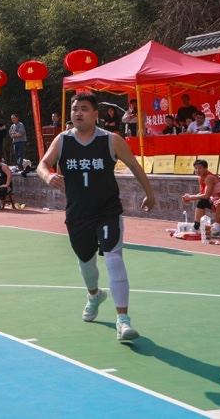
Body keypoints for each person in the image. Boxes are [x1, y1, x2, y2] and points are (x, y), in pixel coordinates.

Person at [37, 92, 156, 343]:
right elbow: (42, 164)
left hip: (107, 211)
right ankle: (94, 295)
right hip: (78, 214)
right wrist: (48, 176)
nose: (78, 113)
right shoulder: (62, 140)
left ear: (95, 114)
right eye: (75, 109)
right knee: (87, 263)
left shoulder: (111, 140)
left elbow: (134, 166)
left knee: (114, 259)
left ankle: (123, 320)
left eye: (84, 109)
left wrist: (150, 194)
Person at [180, 159, 220, 227]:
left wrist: (190, 197)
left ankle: (197, 226)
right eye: (196, 168)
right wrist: (189, 198)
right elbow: (202, 193)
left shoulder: (209, 177)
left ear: (206, 168)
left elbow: (206, 196)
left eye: (200, 168)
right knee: (202, 202)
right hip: (215, 201)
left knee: (202, 202)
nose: (197, 170)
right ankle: (198, 226)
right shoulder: (200, 178)